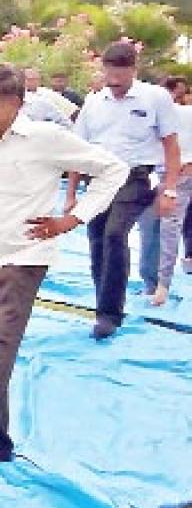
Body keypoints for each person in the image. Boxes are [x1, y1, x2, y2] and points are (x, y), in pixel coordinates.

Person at [0, 66, 126, 471]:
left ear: (14, 104)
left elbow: (113, 170)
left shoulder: (46, 139)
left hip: (24, 255)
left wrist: (72, 218)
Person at [67, 42, 181, 339]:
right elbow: (78, 149)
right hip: (99, 178)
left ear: (133, 69)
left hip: (135, 177)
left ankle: (109, 314)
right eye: (109, 69)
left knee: (115, 235)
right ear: (103, 69)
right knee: (96, 239)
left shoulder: (154, 97)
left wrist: (170, 190)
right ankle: (101, 304)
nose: (114, 76)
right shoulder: (94, 102)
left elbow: (171, 145)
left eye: (121, 69)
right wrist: (71, 194)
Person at [140, 78, 192, 304]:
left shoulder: (186, 115)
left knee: (169, 229)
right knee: (149, 230)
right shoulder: (145, 115)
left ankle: (162, 284)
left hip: (180, 175)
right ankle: (152, 282)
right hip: (151, 174)